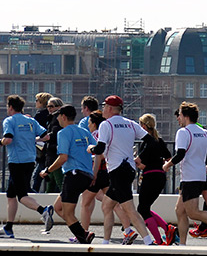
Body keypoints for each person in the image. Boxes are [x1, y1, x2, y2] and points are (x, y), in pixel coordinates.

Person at [88, 95, 155, 245]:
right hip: (128, 169)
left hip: (117, 171)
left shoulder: (106, 125)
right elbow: (151, 141)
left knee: (130, 209)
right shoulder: (130, 124)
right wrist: (139, 158)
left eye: (104, 106)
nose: (103, 109)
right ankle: (105, 242)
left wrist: (90, 148)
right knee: (106, 205)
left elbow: (100, 148)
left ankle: (149, 241)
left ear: (110, 109)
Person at [163, 102, 207, 246]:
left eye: (179, 115)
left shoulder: (183, 132)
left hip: (190, 177)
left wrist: (167, 165)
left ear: (186, 116)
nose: (178, 118)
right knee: (179, 210)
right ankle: (182, 244)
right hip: (200, 175)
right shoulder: (204, 132)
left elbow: (180, 154)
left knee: (193, 212)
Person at [0, 95, 55, 238]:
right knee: (11, 195)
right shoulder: (30, 120)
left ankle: (44, 210)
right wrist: (30, 139)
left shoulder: (9, 120)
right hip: (30, 160)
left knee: (21, 196)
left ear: (10, 107)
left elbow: (8, 139)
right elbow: (46, 136)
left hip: (16, 161)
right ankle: (8, 227)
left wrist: (0, 142)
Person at [38, 104, 97, 244]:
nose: (57, 118)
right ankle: (83, 233)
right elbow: (96, 150)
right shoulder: (84, 131)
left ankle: (83, 237)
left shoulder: (63, 133)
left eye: (58, 116)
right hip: (86, 175)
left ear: (63, 117)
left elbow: (63, 157)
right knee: (58, 207)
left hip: (73, 175)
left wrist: (47, 170)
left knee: (68, 213)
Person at [135, 114, 173, 244]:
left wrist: (134, 160)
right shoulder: (159, 140)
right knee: (145, 207)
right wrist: (160, 162)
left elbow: (141, 163)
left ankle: (158, 239)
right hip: (160, 176)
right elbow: (169, 158)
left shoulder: (147, 142)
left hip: (150, 176)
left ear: (144, 127)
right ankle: (167, 229)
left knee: (143, 209)